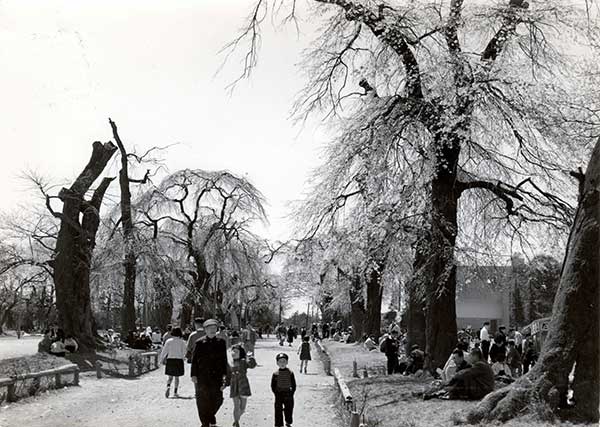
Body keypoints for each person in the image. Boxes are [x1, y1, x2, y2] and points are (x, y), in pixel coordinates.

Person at [191, 319, 230, 427]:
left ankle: (209, 417)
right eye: (209, 329)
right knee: (202, 400)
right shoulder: (199, 343)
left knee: (218, 399)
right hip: (202, 376)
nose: (212, 330)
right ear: (205, 330)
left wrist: (225, 375)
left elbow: (224, 359)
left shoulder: (221, 342)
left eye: (214, 328)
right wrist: (193, 374)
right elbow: (194, 360)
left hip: (216, 376)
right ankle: (205, 423)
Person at [229, 344, 257, 427]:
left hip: (243, 386)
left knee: (242, 408)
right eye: (232, 351)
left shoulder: (243, 361)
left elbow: (252, 365)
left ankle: (237, 419)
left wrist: (250, 357)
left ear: (240, 353)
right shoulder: (230, 363)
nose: (233, 353)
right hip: (234, 386)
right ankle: (236, 422)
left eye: (236, 352)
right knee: (236, 406)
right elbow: (226, 374)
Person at [271, 353, 296, 427]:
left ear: (287, 362)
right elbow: (273, 385)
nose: (282, 363)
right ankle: (278, 424)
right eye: (280, 362)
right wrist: (275, 392)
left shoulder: (290, 373)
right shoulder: (275, 374)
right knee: (278, 409)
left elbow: (293, 384)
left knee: (289, 408)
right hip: (278, 393)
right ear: (277, 363)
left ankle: (288, 421)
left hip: (288, 393)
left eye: (284, 361)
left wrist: (292, 393)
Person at [160, 327, 186, 398]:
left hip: (170, 360)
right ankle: (175, 392)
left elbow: (164, 351)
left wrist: (162, 359)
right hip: (178, 360)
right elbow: (184, 352)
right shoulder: (182, 342)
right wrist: (183, 358)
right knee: (177, 377)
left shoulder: (169, 341)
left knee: (170, 377)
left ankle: (168, 386)